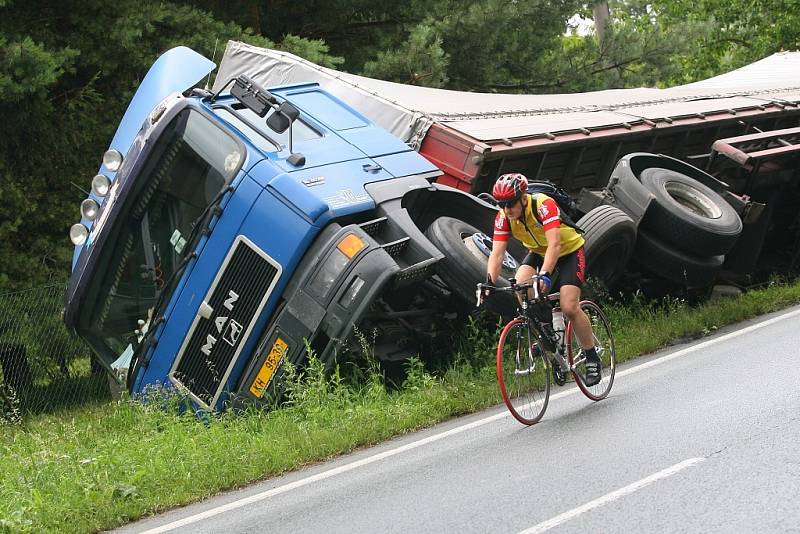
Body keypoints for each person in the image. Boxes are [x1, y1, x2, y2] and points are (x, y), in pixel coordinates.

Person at [483, 172, 602, 386]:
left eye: (510, 203)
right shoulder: (503, 217)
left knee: (569, 306)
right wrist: (489, 282)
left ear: (523, 197)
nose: (507, 209)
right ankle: (548, 333)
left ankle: (592, 358)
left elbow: (555, 245)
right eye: (502, 204)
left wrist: (545, 274)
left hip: (569, 251)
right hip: (538, 251)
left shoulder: (542, 205)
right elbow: (497, 253)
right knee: (520, 286)